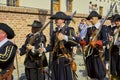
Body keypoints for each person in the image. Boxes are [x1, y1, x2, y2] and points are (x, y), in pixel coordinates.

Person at [39, 11, 78, 80]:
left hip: (65, 60)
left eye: (57, 19)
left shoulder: (69, 30)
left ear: (63, 20)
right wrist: (44, 49)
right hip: (55, 61)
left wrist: (65, 37)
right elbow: (52, 46)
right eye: (55, 19)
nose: (55, 20)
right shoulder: (54, 32)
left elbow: (75, 42)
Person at [84, 11, 109, 80]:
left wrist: (96, 42)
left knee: (100, 76)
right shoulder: (89, 29)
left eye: (91, 18)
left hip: (99, 56)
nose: (90, 19)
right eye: (89, 18)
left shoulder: (103, 28)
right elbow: (86, 42)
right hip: (90, 56)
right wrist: (82, 42)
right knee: (91, 75)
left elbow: (106, 40)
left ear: (96, 18)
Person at [110, 14, 120, 80]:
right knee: (113, 66)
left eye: (118, 21)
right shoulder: (113, 28)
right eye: (115, 21)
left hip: (119, 49)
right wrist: (110, 38)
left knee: (119, 67)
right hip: (113, 48)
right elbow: (110, 35)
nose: (116, 22)